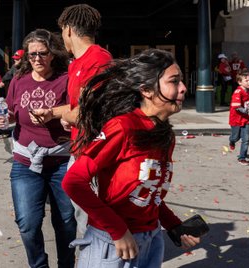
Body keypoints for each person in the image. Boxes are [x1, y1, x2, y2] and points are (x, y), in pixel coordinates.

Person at [62, 49, 201, 267]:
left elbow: (149, 190)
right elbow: (73, 182)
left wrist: (173, 225)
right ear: (146, 90)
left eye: (181, 81)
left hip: (151, 240)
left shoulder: (165, 134)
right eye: (174, 81)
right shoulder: (123, 127)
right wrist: (117, 230)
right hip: (112, 244)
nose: (183, 88)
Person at [0, 29, 77, 268]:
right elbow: (10, 112)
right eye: (32, 55)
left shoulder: (66, 78)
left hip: (61, 161)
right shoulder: (19, 80)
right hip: (25, 162)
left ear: (52, 54)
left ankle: (66, 265)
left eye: (43, 53)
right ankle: (38, 266)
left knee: (67, 222)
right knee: (28, 223)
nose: (37, 58)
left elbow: (77, 110)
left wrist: (62, 117)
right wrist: (3, 120)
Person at [30, 4, 113, 236]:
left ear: (67, 30)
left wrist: (68, 116)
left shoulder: (99, 60)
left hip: (94, 153)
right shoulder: (76, 62)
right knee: (81, 218)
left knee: (93, 224)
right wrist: (53, 112)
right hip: (79, 149)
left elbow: (88, 113)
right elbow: (77, 108)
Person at [229, 71, 249, 166]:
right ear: (240, 82)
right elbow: (236, 106)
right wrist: (247, 111)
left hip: (246, 120)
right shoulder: (238, 92)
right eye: (246, 80)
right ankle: (231, 140)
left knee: (246, 139)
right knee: (236, 137)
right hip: (236, 120)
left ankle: (242, 157)